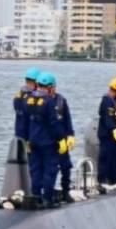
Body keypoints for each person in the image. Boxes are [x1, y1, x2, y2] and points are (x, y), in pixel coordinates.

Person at [26, 72, 68, 208]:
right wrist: (61, 139)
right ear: (50, 87)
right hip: (48, 142)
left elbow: (25, 120)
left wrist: (27, 138)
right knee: (50, 170)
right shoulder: (49, 101)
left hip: (33, 141)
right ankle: (47, 199)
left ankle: (36, 197)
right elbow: (54, 123)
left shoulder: (28, 99)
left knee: (35, 170)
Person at [43, 75, 76, 203]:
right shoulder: (41, 102)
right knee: (48, 170)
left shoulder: (61, 101)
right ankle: (45, 194)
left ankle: (65, 191)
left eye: (50, 87)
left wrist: (70, 136)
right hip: (49, 141)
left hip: (62, 140)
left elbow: (67, 120)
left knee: (66, 166)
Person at [97, 78, 116, 186]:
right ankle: (103, 180)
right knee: (106, 158)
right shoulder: (107, 100)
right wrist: (114, 129)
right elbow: (108, 118)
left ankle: (113, 179)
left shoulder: (115, 101)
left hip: (115, 137)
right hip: (108, 135)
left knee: (115, 159)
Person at [13, 67, 39, 144]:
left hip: (30, 134)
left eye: (31, 81)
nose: (29, 83)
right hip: (24, 134)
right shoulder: (21, 95)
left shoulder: (21, 94)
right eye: (28, 81)